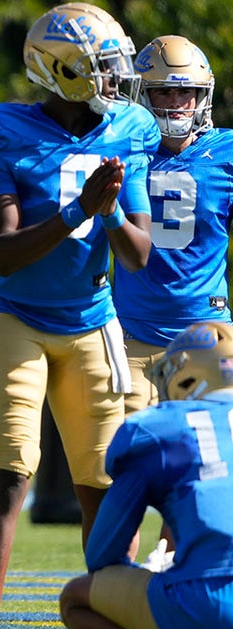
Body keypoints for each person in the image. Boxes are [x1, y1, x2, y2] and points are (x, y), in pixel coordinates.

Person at [0, 4, 158, 629]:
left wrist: (106, 216)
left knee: (103, 483)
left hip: (92, 320)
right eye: (102, 66)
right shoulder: (1, 128)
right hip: (16, 317)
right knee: (9, 475)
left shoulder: (130, 126)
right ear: (59, 68)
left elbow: (138, 254)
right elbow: (5, 254)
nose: (116, 79)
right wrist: (79, 209)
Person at [117, 35, 233, 572]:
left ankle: (177, 573)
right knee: (123, 465)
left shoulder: (225, 152)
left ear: (203, 96)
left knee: (200, 466)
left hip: (205, 336)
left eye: (183, 93)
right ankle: (113, 581)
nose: (173, 104)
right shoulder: (119, 146)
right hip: (129, 331)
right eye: (161, 92)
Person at [60, 320, 233, 629]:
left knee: (77, 598)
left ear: (186, 376)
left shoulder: (160, 428)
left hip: (205, 608)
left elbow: (103, 555)